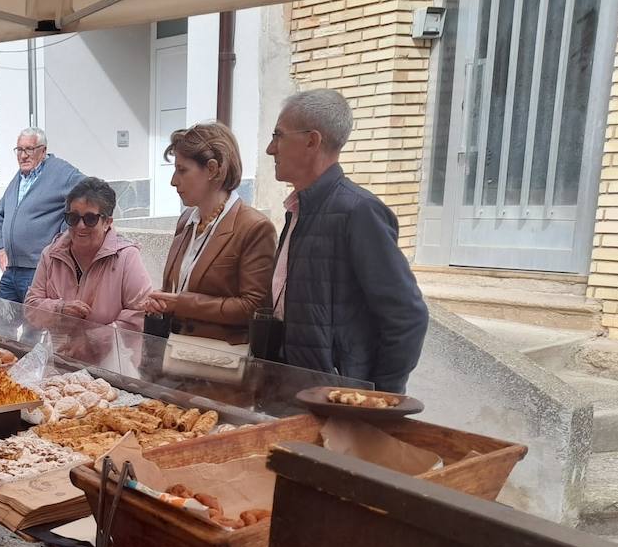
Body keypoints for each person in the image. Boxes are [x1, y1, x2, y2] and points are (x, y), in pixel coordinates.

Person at [265, 89, 428, 393]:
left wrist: (375, 398)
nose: (270, 149)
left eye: (278, 136)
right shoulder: (300, 209)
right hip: (295, 390)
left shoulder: (358, 211)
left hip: (337, 399)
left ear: (312, 141)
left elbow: (407, 317)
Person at [144, 122, 275, 346]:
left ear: (213, 169)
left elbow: (254, 307)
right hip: (175, 358)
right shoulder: (187, 220)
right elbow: (178, 290)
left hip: (221, 365)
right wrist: (161, 301)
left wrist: (182, 303)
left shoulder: (254, 227)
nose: (174, 181)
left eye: (182, 170)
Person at [24, 177, 152, 335]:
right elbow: (30, 308)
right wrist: (59, 310)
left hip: (109, 357)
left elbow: (140, 315)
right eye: (73, 218)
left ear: (107, 222)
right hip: (59, 355)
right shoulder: (50, 255)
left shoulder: (127, 257)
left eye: (90, 219)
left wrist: (94, 339)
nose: (80, 226)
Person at [0, 127, 82, 304]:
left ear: (43, 150)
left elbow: (90, 193)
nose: (23, 155)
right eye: (19, 150)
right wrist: (0, 249)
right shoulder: (20, 177)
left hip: (38, 270)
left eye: (29, 149)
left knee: (33, 329)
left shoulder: (61, 172)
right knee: (0, 326)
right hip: (11, 270)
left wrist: (64, 235)